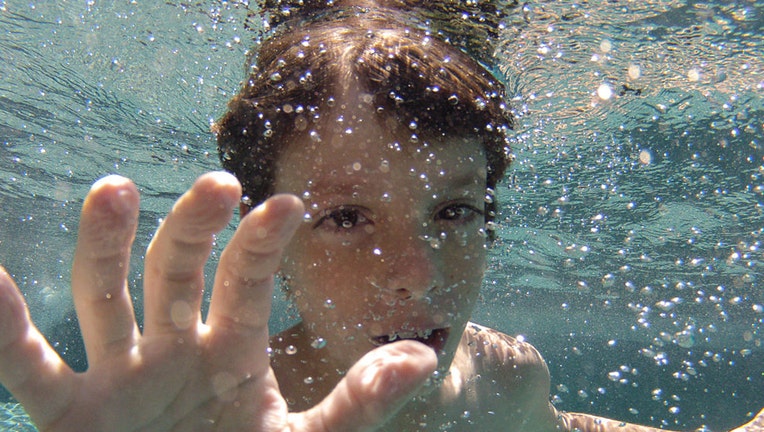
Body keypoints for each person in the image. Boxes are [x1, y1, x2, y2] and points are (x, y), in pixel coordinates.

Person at [0, 0, 762, 430]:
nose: (418, 274)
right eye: (346, 218)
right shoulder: (203, 416)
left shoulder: (504, 382)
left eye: (455, 209)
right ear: (264, 239)